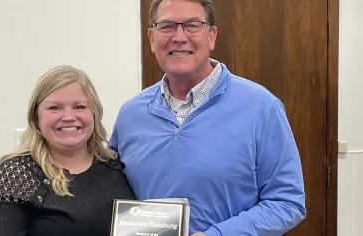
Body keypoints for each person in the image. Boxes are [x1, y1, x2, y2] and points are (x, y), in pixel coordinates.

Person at [109, 0, 306, 235]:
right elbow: (110, 189)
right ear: (152, 38)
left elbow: (287, 202)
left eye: (192, 25)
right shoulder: (131, 114)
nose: (179, 36)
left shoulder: (261, 107)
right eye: (167, 26)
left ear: (211, 36)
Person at [0, 65, 135, 236]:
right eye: (54, 108)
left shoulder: (115, 166)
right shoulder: (15, 177)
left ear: (95, 114)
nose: (68, 116)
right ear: (36, 117)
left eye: (80, 107)